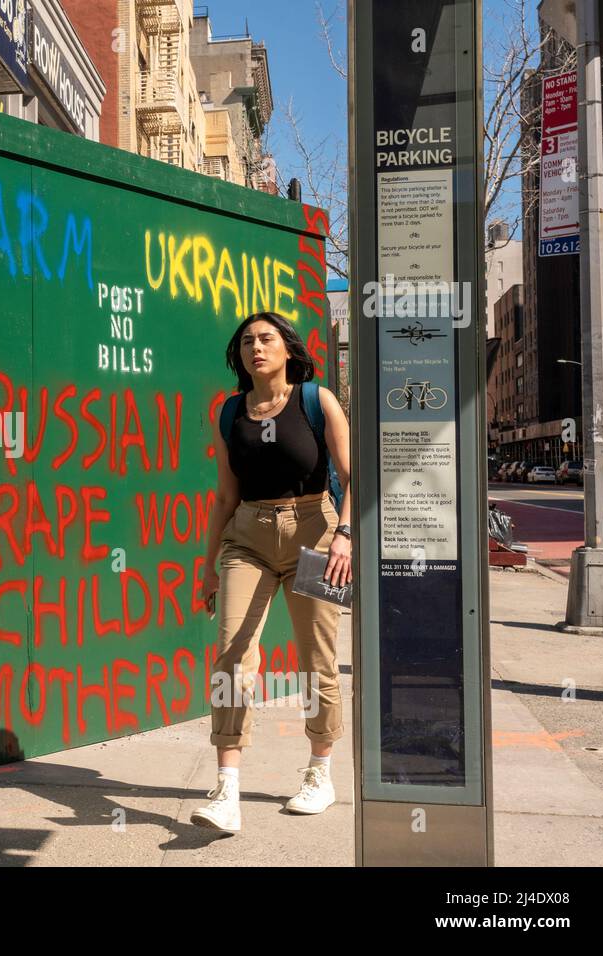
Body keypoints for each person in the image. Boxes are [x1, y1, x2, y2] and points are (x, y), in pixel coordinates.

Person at [189, 311, 353, 833]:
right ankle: (226, 790)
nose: (255, 347)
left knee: (316, 658)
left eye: (266, 339)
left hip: (316, 535)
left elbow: (353, 476)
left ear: (287, 348)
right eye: (246, 342)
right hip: (248, 536)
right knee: (232, 655)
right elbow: (224, 495)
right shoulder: (230, 412)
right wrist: (208, 564)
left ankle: (319, 773)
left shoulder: (316, 400)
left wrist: (345, 537)